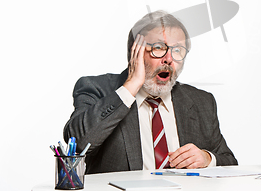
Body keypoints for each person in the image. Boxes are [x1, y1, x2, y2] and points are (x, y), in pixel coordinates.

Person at [64, 11, 237, 174]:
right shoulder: (96, 88)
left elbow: (230, 162)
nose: (168, 59)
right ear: (134, 51)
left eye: (177, 50)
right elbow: (78, 143)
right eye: (159, 47)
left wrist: (207, 159)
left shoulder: (201, 101)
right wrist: (131, 86)